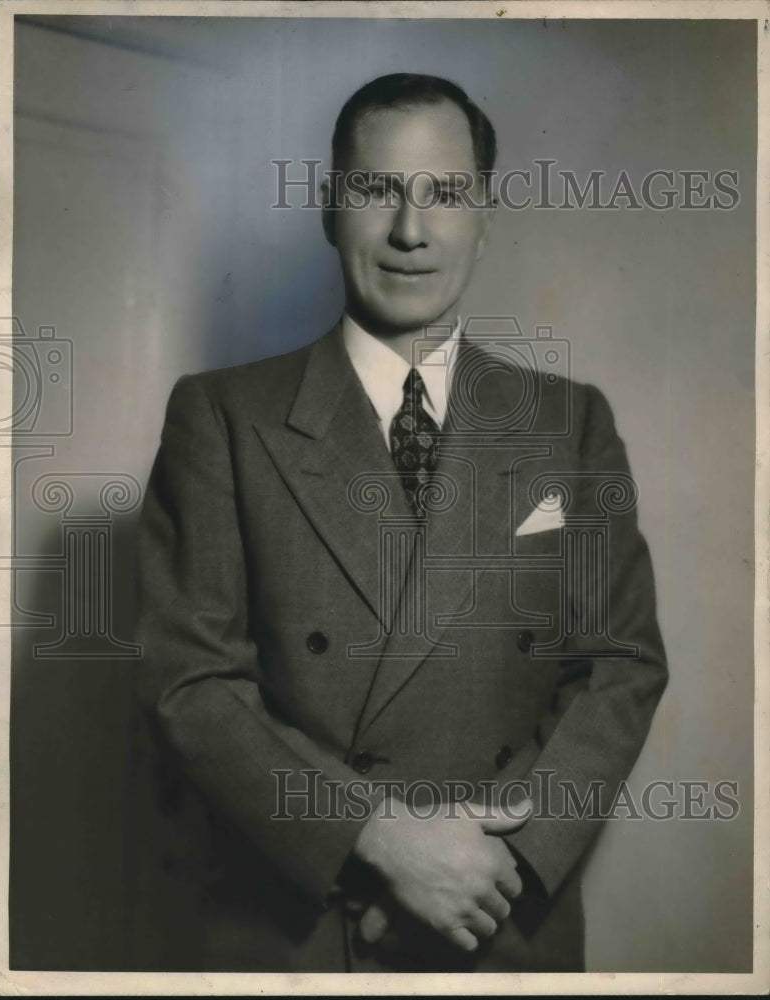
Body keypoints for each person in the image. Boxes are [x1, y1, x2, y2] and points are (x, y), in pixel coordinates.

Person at [135, 73, 668, 972]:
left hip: (498, 928)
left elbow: (617, 666)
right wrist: (376, 837)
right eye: (378, 190)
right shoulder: (222, 416)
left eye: (445, 194)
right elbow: (190, 685)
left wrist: (491, 862)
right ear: (329, 208)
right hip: (299, 936)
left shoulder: (570, 424)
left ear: (484, 214)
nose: (410, 231)